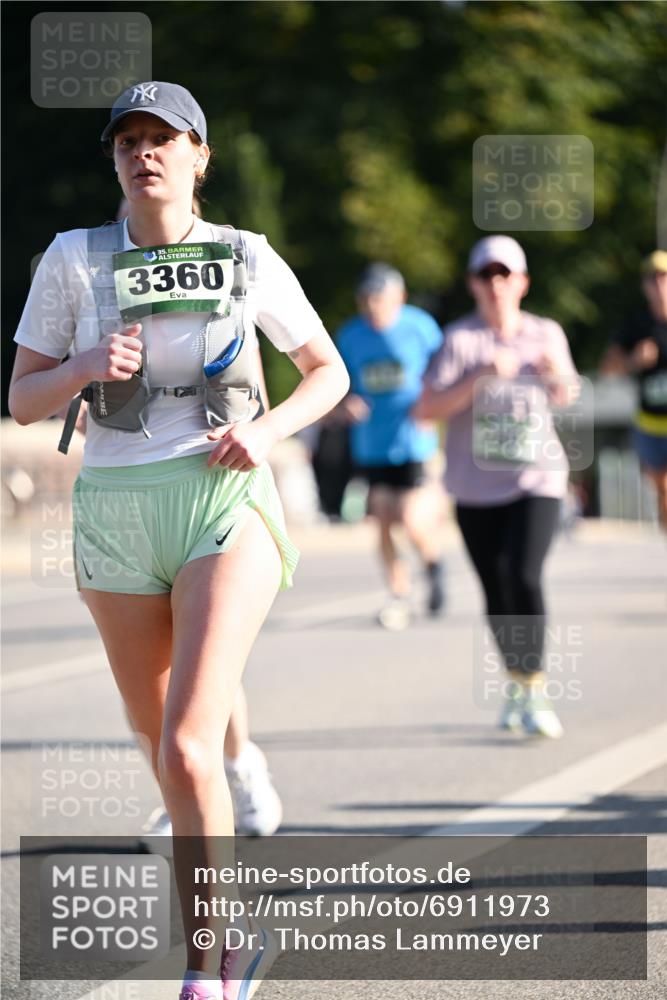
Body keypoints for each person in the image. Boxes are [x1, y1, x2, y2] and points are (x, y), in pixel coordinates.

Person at [10, 81, 349, 1000]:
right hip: (116, 510)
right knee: (159, 744)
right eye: (128, 139)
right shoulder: (74, 260)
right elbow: (22, 398)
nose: (143, 152)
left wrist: (271, 431)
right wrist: (81, 366)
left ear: (200, 156)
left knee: (192, 747)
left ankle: (210, 962)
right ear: (115, 159)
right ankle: (229, 921)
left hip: (220, 499)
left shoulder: (244, 254)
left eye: (164, 138)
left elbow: (327, 372)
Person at [415, 236, 580, 738]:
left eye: (505, 274)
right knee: (494, 587)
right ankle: (517, 679)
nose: (496, 284)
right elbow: (424, 410)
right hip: (474, 486)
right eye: (486, 275)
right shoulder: (459, 341)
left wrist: (558, 381)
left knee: (522, 573)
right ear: (472, 284)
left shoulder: (545, 333)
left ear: (523, 282)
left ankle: (535, 684)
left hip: (537, 478)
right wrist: (478, 379)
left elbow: (569, 395)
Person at [334, 263, 446, 630]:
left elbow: (445, 369)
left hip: (414, 440)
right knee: (382, 517)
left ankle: (433, 564)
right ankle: (399, 593)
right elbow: (331, 381)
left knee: (412, 518)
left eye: (379, 299)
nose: (372, 307)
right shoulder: (350, 337)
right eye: (365, 300)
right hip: (371, 444)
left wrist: (435, 401)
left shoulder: (421, 328)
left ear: (400, 298)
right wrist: (345, 401)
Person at [600, 250, 667, 529]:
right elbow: (607, 369)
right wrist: (632, 360)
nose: (659, 285)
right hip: (650, 421)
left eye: (664, 277)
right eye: (653, 279)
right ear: (644, 286)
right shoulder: (636, 324)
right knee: (662, 488)